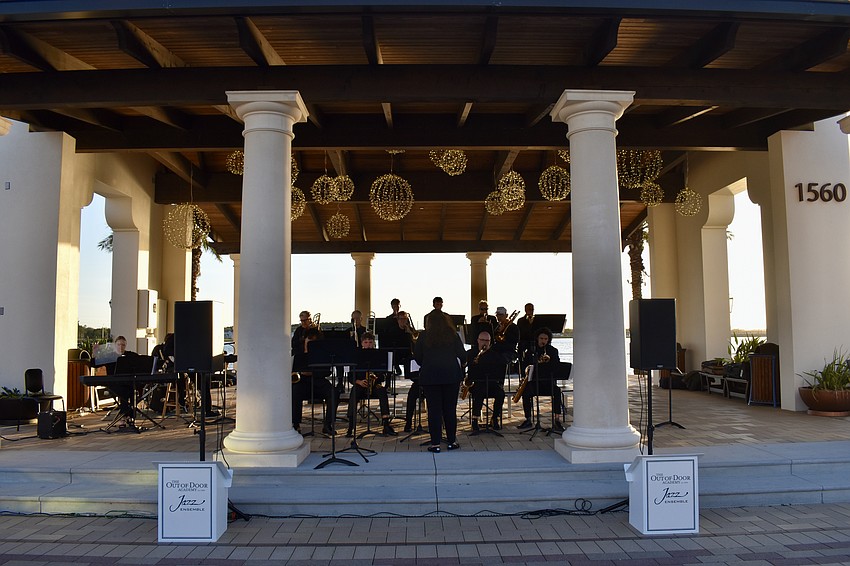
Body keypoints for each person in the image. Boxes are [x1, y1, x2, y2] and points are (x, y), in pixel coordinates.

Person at [413, 309, 466, 453]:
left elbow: (417, 356)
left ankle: (435, 443)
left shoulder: (424, 335)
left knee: (434, 411)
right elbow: (462, 355)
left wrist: (428, 362)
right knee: (449, 410)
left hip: (430, 376)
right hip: (451, 376)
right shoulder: (453, 335)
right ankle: (451, 441)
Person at [347, 332, 397, 436]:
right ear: (362, 343)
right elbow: (350, 377)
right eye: (366, 342)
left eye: (370, 342)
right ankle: (351, 425)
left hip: (375, 385)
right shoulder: (356, 355)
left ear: (374, 343)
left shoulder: (378, 355)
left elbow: (384, 375)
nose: (368, 344)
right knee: (354, 393)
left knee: (382, 392)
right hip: (361, 384)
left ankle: (386, 423)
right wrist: (359, 382)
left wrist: (377, 377)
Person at [292, 327, 337, 436]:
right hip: (302, 382)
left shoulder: (322, 353)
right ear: (305, 339)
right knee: (294, 392)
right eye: (309, 340)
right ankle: (295, 424)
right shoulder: (297, 352)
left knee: (333, 392)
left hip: (318, 382)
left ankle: (328, 424)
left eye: (314, 341)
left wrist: (313, 373)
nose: (311, 342)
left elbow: (327, 372)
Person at [517, 327, 565, 433]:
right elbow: (525, 366)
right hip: (534, 383)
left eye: (546, 339)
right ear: (537, 339)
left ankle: (557, 420)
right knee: (526, 393)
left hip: (548, 382)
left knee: (557, 392)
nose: (543, 341)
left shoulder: (552, 351)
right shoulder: (531, 351)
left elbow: (557, 366)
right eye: (541, 338)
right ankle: (528, 419)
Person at [465, 331, 507, 433]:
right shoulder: (471, 354)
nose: (484, 343)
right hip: (476, 384)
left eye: (487, 341)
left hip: (491, 383)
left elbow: (500, 370)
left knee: (501, 394)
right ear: (478, 341)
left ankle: (495, 418)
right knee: (480, 392)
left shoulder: (494, 355)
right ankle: (475, 419)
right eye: (482, 340)